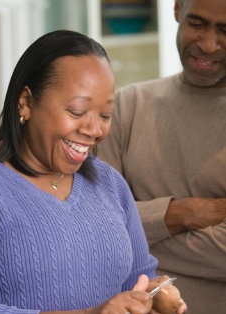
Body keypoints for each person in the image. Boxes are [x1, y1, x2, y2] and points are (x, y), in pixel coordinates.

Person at [0, 30, 186, 314]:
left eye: (105, 115)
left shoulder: (110, 184)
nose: (95, 130)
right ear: (26, 102)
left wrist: (155, 296)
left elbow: (139, 280)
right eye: (77, 111)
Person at [97, 0, 226, 313]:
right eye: (197, 23)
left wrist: (132, 235)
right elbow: (94, 223)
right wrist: (176, 214)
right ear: (177, 9)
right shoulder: (127, 107)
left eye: (225, 30)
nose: (208, 45)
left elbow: (107, 236)